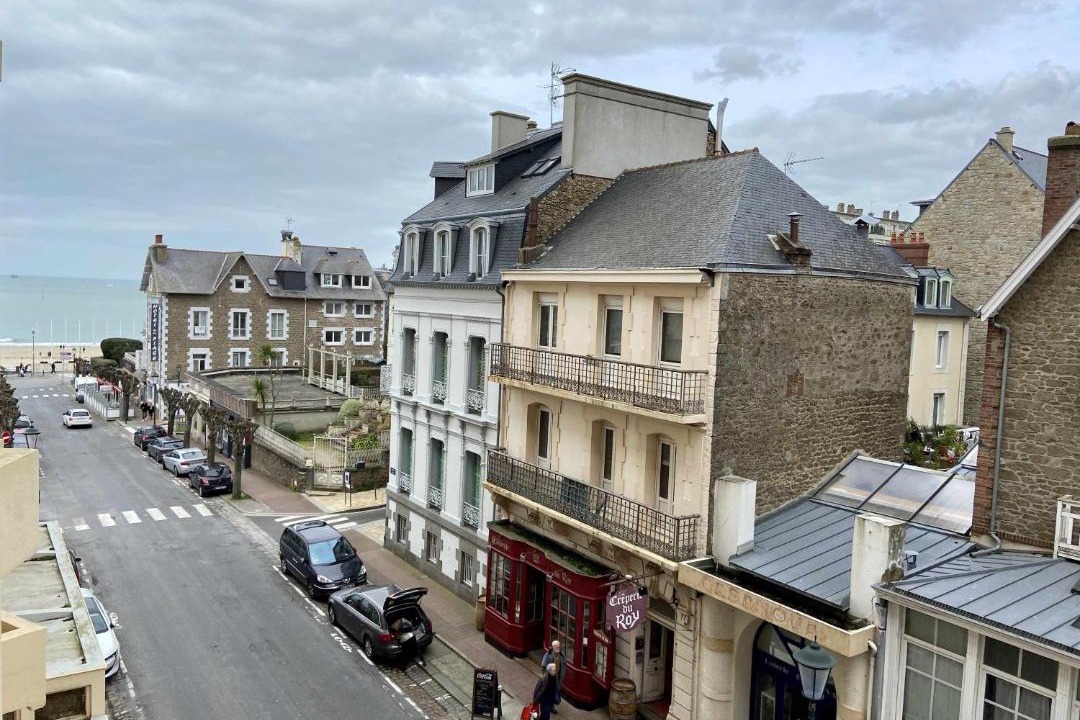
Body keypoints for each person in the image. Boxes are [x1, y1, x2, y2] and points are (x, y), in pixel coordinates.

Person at [540, 640, 566, 713]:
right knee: (549, 693)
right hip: (550, 678)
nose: (558, 648)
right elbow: (543, 667)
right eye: (557, 647)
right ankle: (548, 706)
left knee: (555, 692)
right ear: (553, 647)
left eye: (559, 647)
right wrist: (546, 676)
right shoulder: (548, 655)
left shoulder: (561, 655)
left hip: (558, 678)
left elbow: (563, 665)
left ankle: (551, 706)